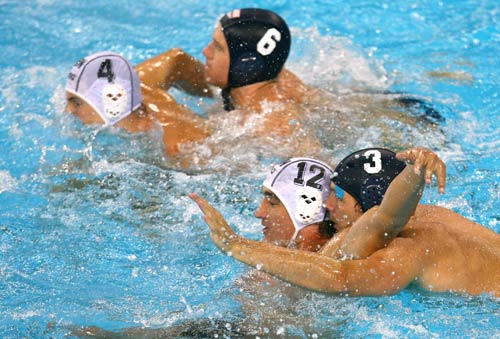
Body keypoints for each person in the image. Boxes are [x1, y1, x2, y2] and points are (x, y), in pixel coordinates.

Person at [192, 147, 500, 297]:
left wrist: (236, 245)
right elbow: (388, 213)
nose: (327, 204)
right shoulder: (431, 214)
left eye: (339, 197)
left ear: (365, 206)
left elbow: (340, 279)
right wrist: (414, 171)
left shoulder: (408, 251)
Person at [65, 49, 212, 156]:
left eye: (76, 103)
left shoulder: (177, 146)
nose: (68, 111)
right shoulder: (133, 85)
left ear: (110, 101)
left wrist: (218, 93)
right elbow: (175, 58)